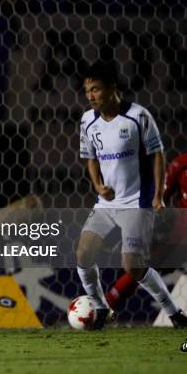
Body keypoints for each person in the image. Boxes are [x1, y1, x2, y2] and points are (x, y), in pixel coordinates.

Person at [76, 60, 187, 329]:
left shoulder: (138, 116)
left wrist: (158, 196)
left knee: (133, 267)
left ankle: (174, 313)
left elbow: (157, 155)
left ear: (113, 88)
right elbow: (90, 157)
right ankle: (101, 308)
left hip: (137, 202)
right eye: (87, 90)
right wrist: (98, 185)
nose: (90, 96)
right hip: (106, 202)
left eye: (96, 89)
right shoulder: (87, 120)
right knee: (83, 254)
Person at [104, 152, 187, 312]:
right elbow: (159, 198)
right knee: (143, 265)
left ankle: (108, 304)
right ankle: (107, 305)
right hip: (180, 235)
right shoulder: (181, 163)